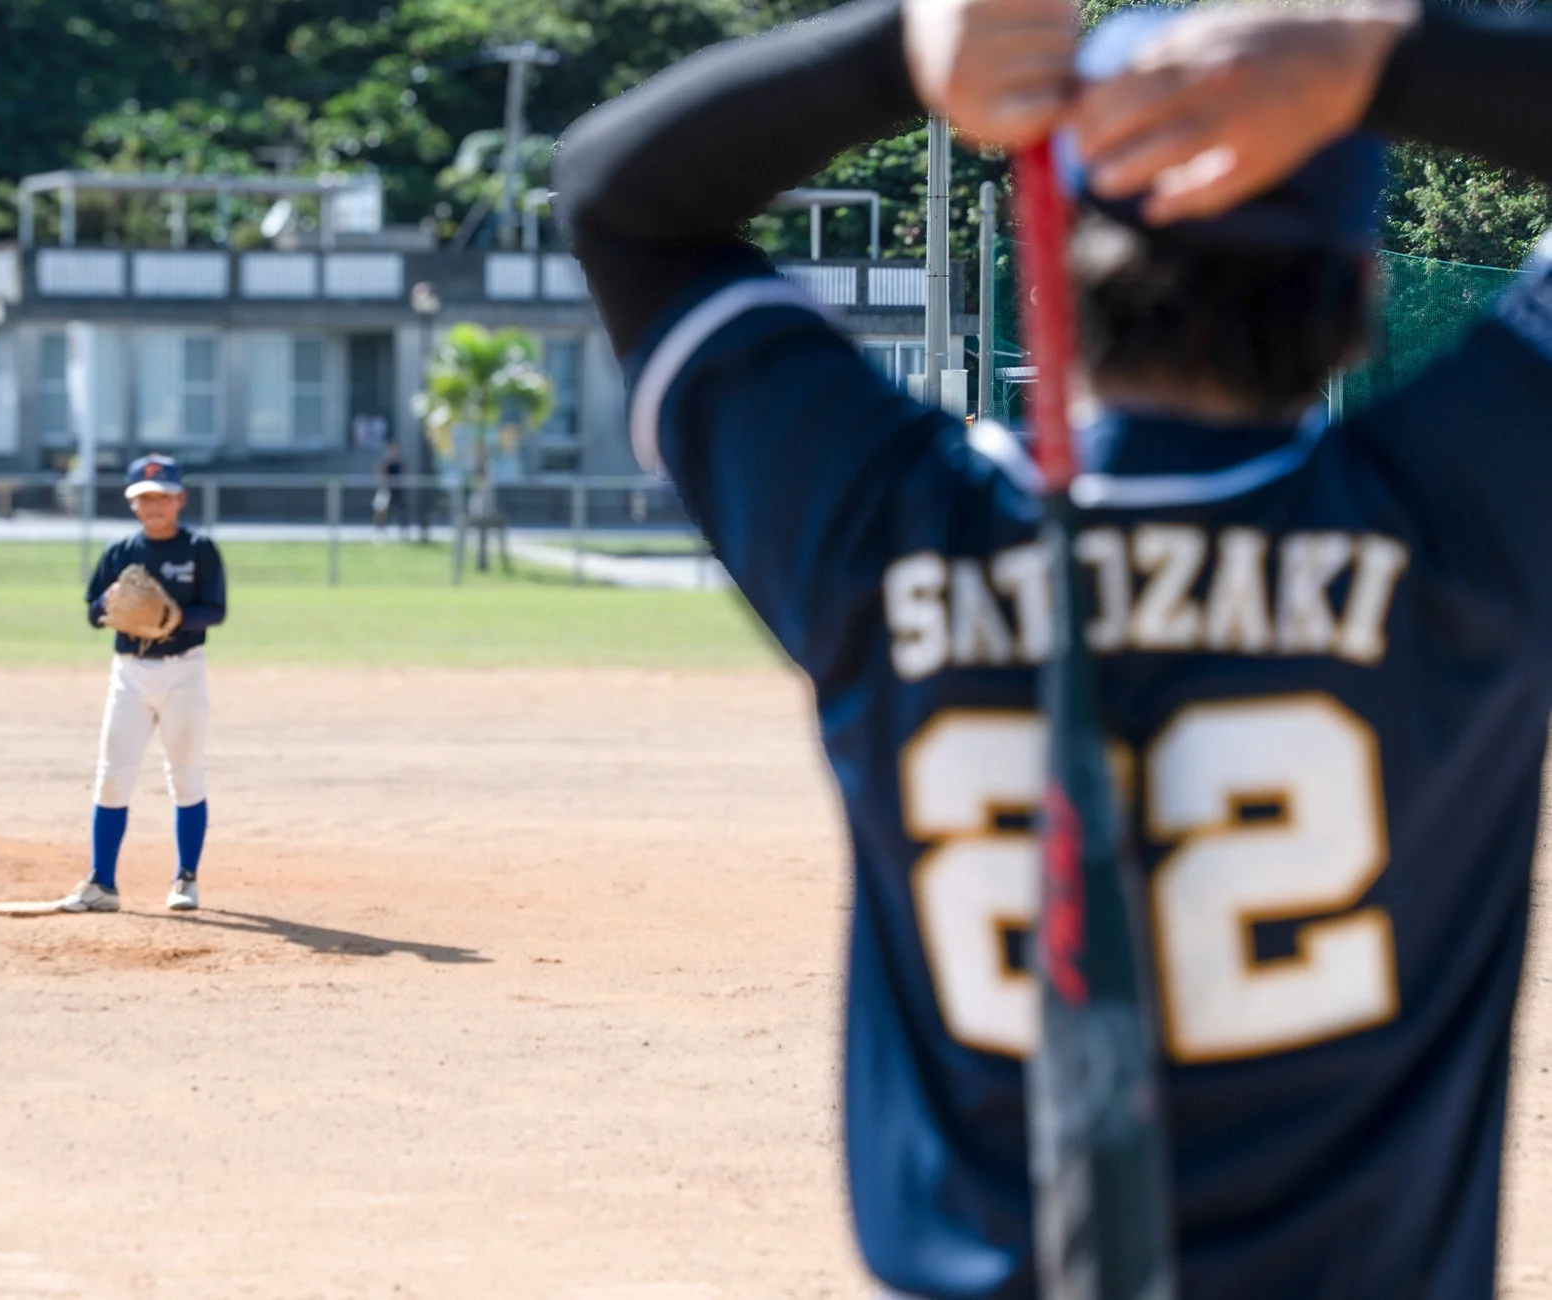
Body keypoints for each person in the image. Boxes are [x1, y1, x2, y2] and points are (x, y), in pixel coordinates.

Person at [555, 0, 1552, 1294]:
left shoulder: (897, 539)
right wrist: (1382, 56)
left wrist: (899, 52)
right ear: (1357, 290)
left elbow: (616, 199)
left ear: (1053, 275)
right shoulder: (1459, 528)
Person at [62, 453, 228, 914]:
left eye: (163, 496)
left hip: (184, 671)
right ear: (132, 504)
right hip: (130, 673)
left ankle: (186, 879)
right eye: (144, 498)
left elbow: (216, 610)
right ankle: (102, 883)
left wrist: (171, 617)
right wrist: (107, 603)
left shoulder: (199, 550)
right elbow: (94, 613)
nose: (154, 505)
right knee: (113, 775)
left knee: (186, 774)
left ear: (180, 499)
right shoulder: (120, 553)